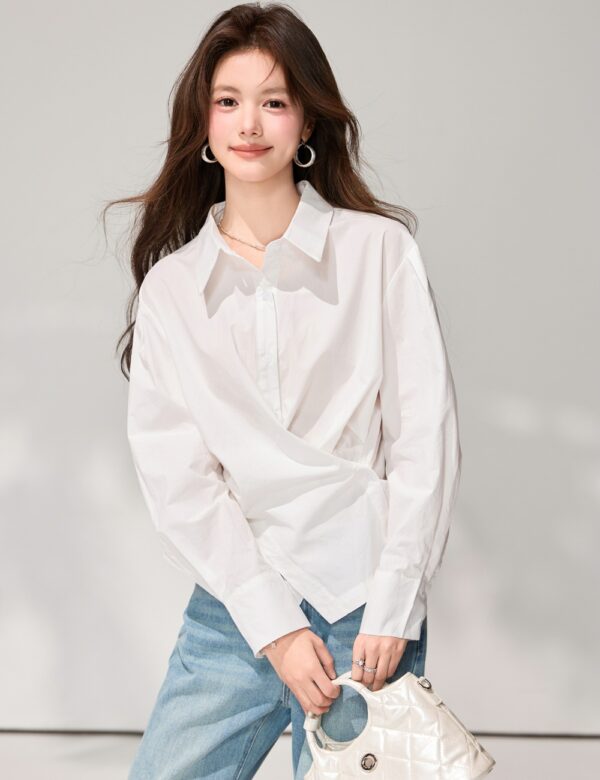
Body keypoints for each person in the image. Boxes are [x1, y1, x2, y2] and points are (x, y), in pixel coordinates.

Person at [106, 3, 461, 778]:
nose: (249, 123)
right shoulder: (174, 289)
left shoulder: (378, 252)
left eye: (274, 101)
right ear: (203, 124)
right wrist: (272, 624)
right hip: (238, 603)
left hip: (364, 604)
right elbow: (179, 480)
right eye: (228, 101)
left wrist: (396, 602)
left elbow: (422, 439)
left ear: (306, 123)